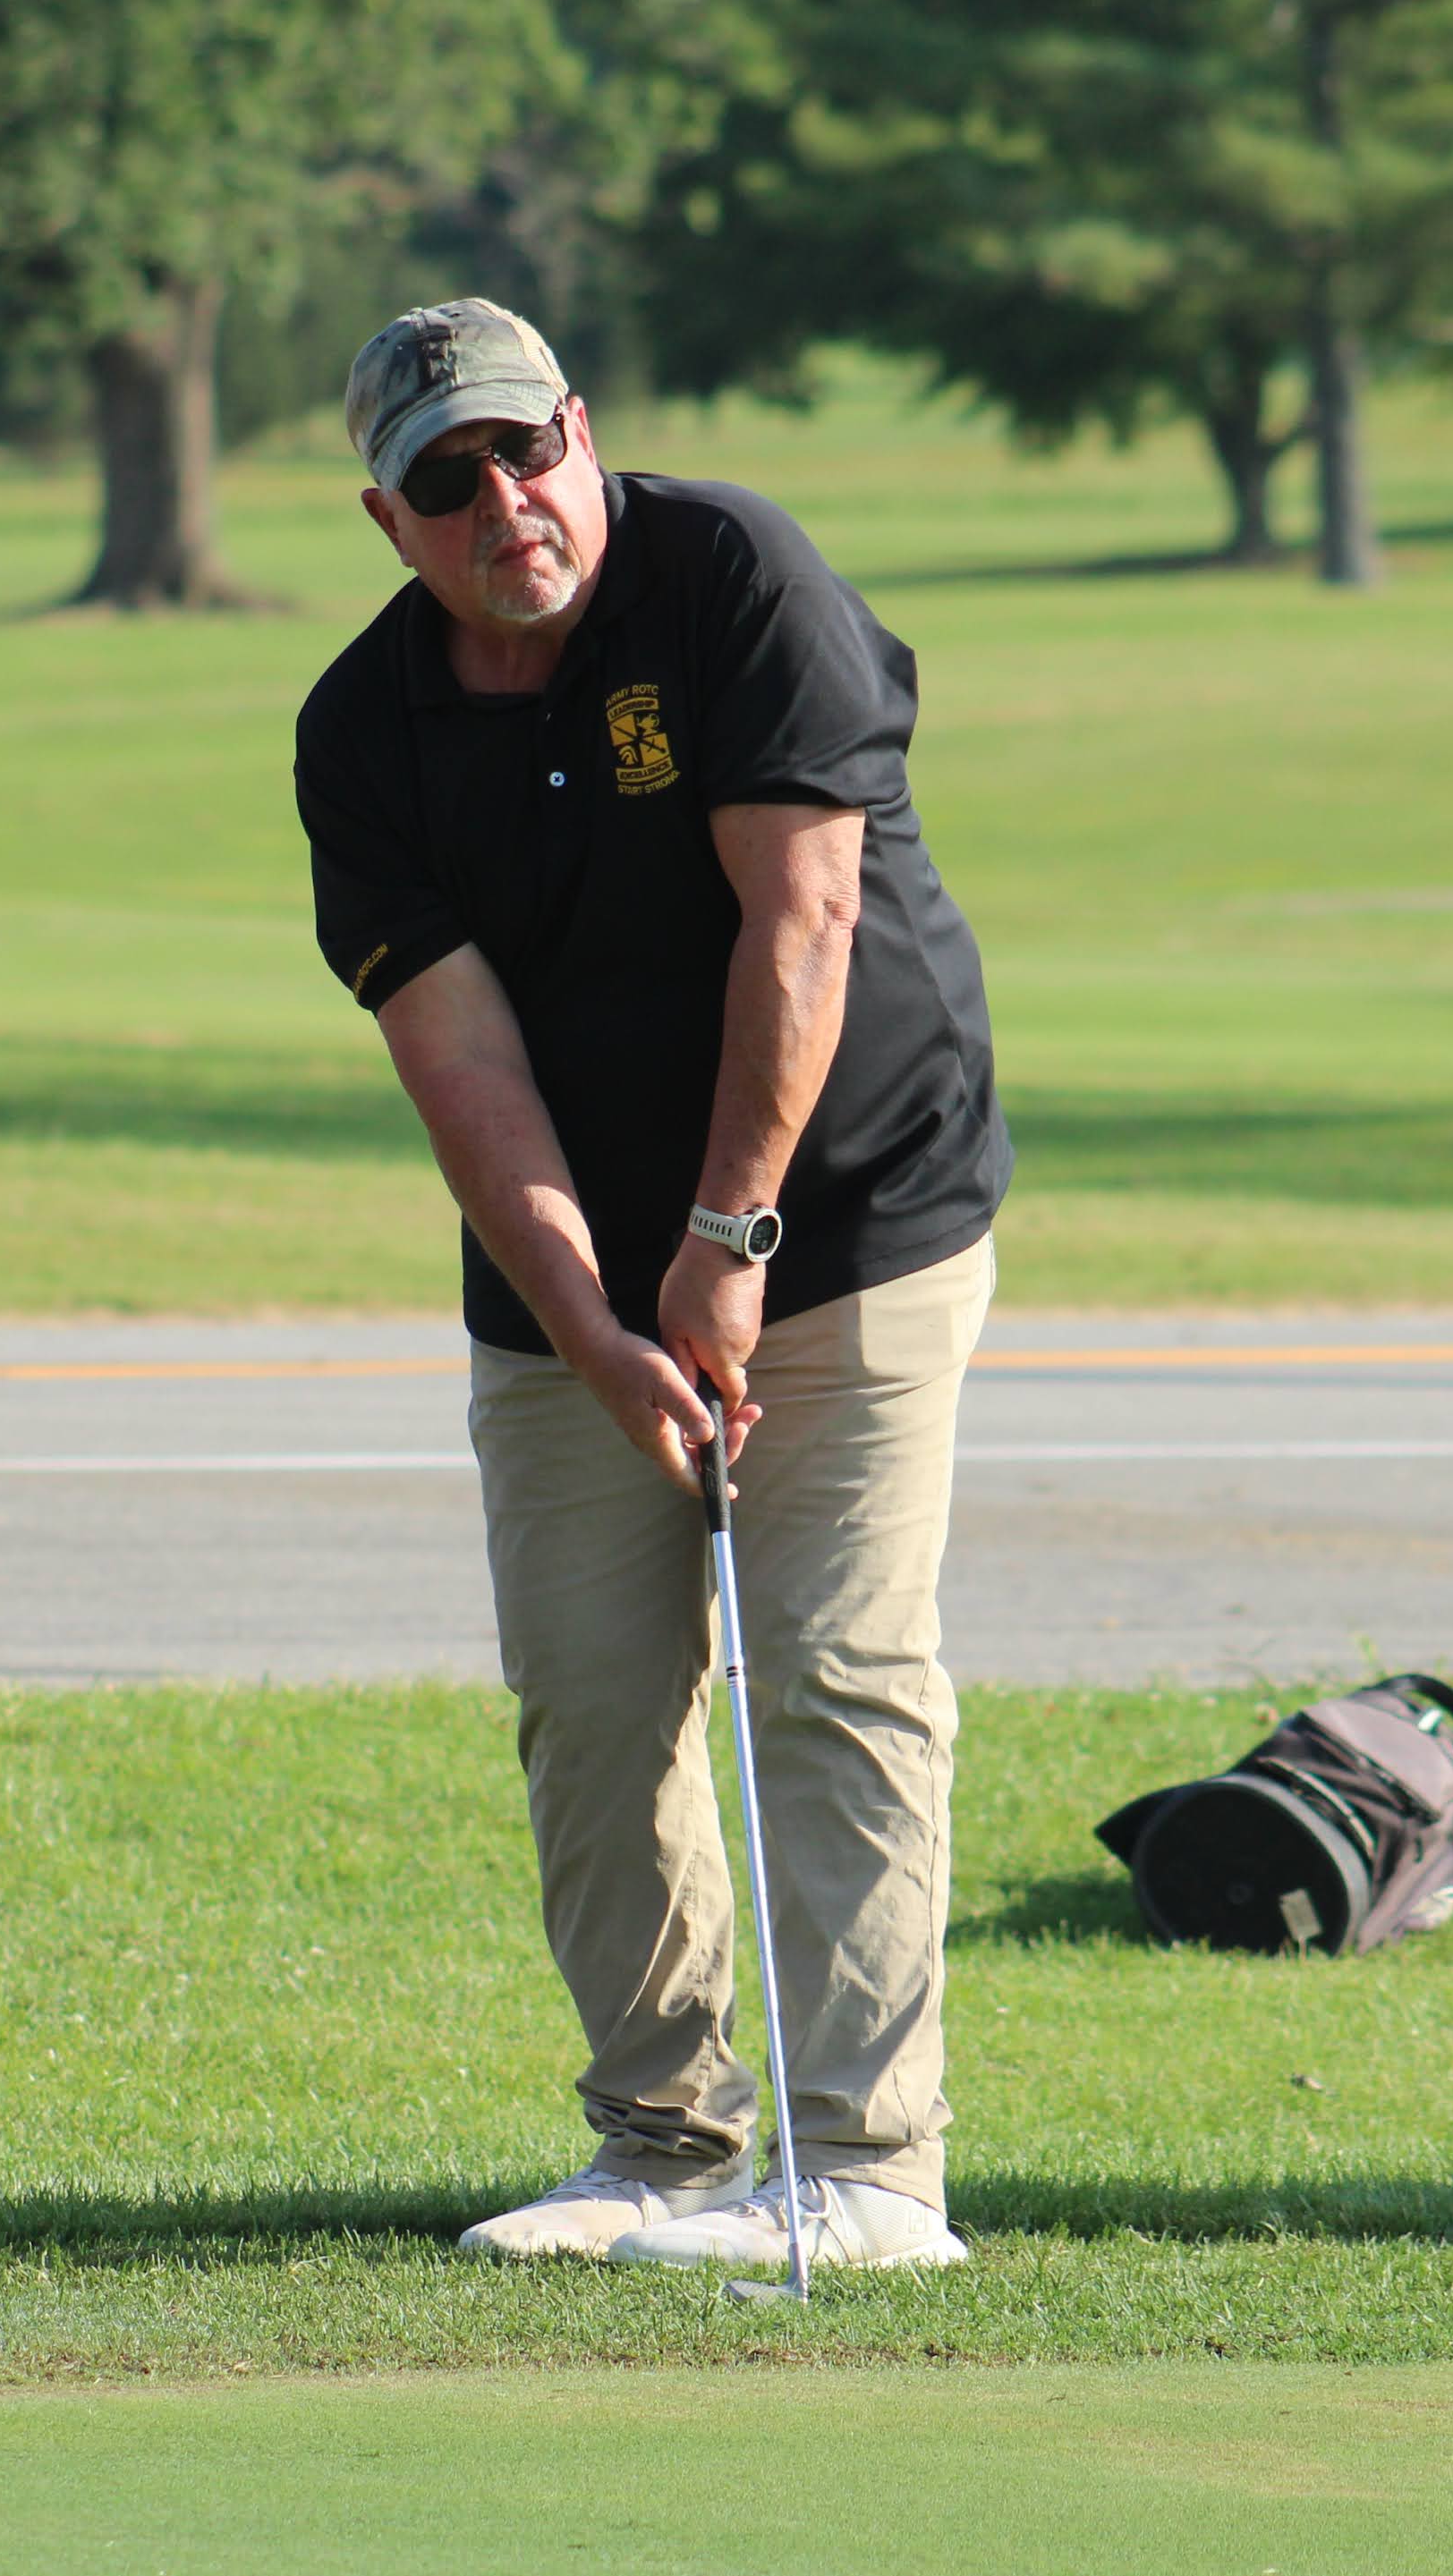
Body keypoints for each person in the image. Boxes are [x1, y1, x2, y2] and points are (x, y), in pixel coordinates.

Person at [292, 301, 1012, 2274]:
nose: (504, 500)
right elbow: (463, 1066)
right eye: (448, 478)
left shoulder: (729, 579)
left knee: (836, 1672)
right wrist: (599, 1321)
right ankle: (666, 2148)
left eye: (527, 448)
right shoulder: (364, 731)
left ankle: (870, 2169)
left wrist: (725, 1245)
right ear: (389, 515)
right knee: (595, 1706)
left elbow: (806, 920)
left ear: (582, 430)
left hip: (848, 1218)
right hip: (571, 1280)